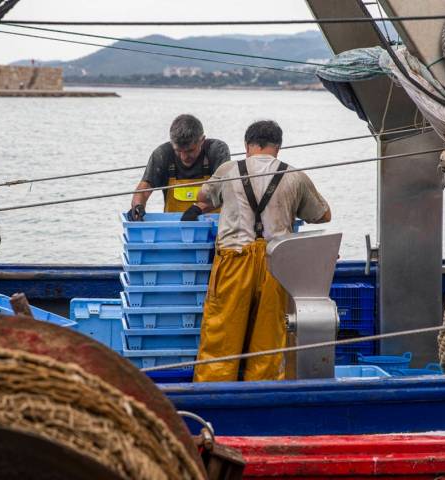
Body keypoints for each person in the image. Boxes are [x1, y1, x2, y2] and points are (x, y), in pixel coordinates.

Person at [183, 120, 332, 382]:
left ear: (246, 145)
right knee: (269, 342)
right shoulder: (294, 175)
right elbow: (323, 215)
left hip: (234, 261)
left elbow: (204, 198)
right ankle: (262, 391)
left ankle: (214, 394)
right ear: (278, 148)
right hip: (277, 264)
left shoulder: (229, 169)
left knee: (221, 334)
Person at [127, 114, 230, 221]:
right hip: (174, 229)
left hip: (214, 227)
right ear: (172, 143)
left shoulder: (217, 150)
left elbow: (226, 191)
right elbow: (144, 189)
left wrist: (198, 208)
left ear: (202, 140)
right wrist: (138, 206)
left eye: (190, 151)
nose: (184, 157)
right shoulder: (162, 154)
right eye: (178, 151)